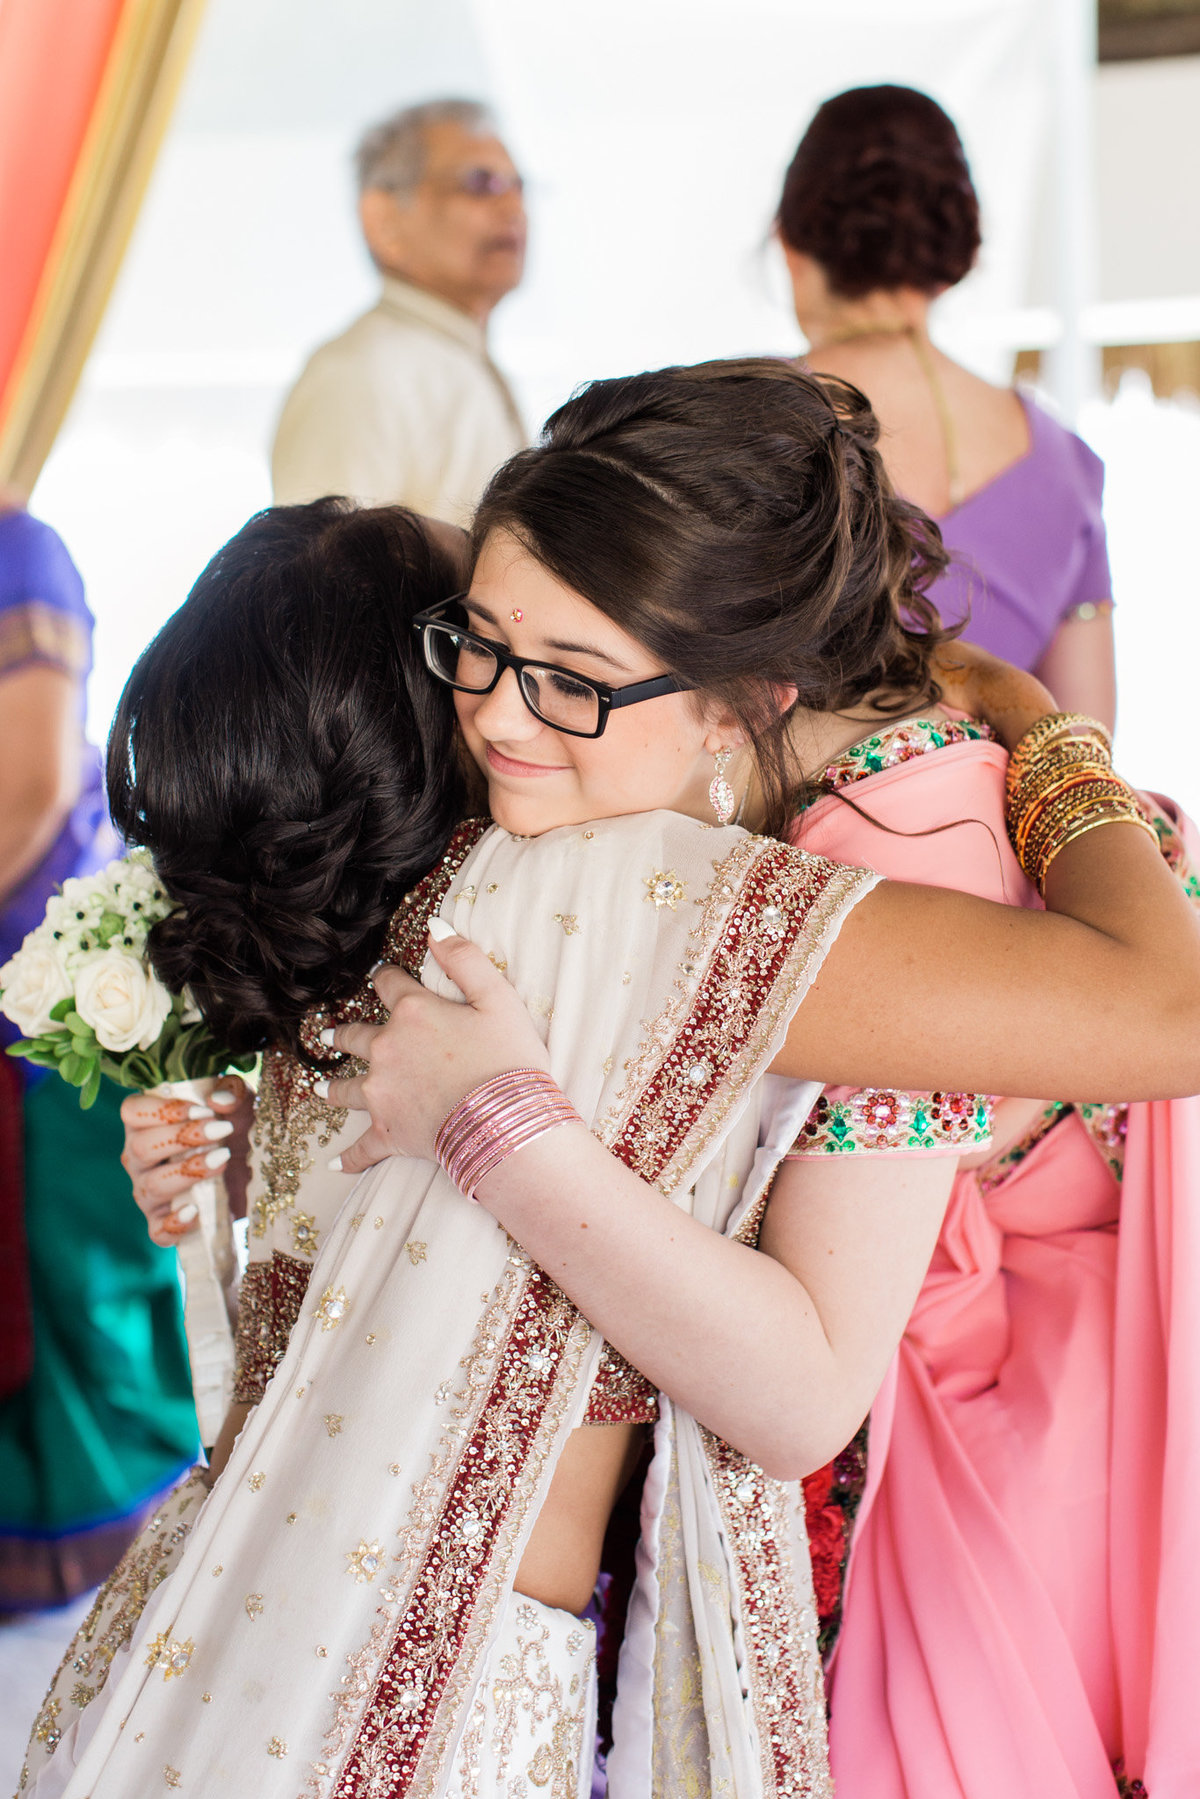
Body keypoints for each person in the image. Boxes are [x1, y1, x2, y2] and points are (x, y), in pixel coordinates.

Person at [32, 366, 1200, 1796]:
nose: (501, 718)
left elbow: (1168, 1011)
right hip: (382, 1640)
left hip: (947, 1467)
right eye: (474, 643)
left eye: (570, 677)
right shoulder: (565, 869)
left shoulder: (820, 860)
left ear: (742, 701)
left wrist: (1036, 733)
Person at [776, 84, 1117, 732]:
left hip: (769, 828)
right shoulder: (1069, 466)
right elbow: (1085, 741)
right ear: (954, 249)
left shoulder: (735, 420)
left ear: (790, 240)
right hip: (984, 829)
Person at [0, 501, 197, 1611]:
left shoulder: (14, 553)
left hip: (46, 984)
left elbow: (23, 793)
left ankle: (89, 1542)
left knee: (74, 1273)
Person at [270, 98, 527, 526]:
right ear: (383, 220)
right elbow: (318, 584)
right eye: (482, 184)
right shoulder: (358, 373)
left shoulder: (456, 358)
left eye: (519, 187)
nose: (514, 210)